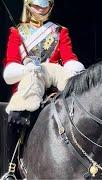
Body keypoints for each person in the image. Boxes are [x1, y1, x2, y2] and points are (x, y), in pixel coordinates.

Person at [1, 0, 84, 178]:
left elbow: (68, 57)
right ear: (29, 6)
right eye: (37, 6)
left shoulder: (59, 31)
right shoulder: (17, 33)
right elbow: (9, 70)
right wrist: (26, 69)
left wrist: (74, 68)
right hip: (28, 85)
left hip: (54, 85)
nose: (41, 9)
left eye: (45, 6)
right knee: (15, 115)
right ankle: (11, 168)